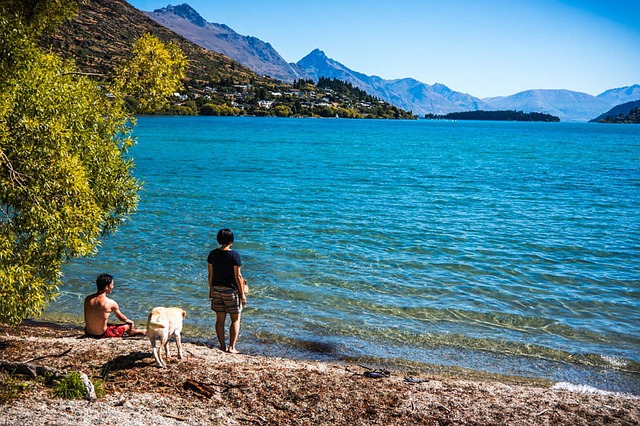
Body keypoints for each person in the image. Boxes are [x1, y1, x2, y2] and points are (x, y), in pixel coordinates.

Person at [207, 228, 246, 353]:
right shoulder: (234, 255)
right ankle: (232, 347)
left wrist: (211, 289)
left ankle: (222, 346)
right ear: (231, 241)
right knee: (235, 319)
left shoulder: (212, 254)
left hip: (216, 289)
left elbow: (210, 274)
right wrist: (243, 294)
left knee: (220, 319)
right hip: (231, 291)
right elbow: (238, 276)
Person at [84, 273, 146, 338]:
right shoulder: (110, 302)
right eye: (112, 285)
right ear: (106, 287)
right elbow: (121, 318)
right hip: (103, 334)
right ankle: (134, 332)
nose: (113, 287)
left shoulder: (88, 299)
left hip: (88, 333)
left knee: (107, 324)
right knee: (129, 325)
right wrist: (129, 321)